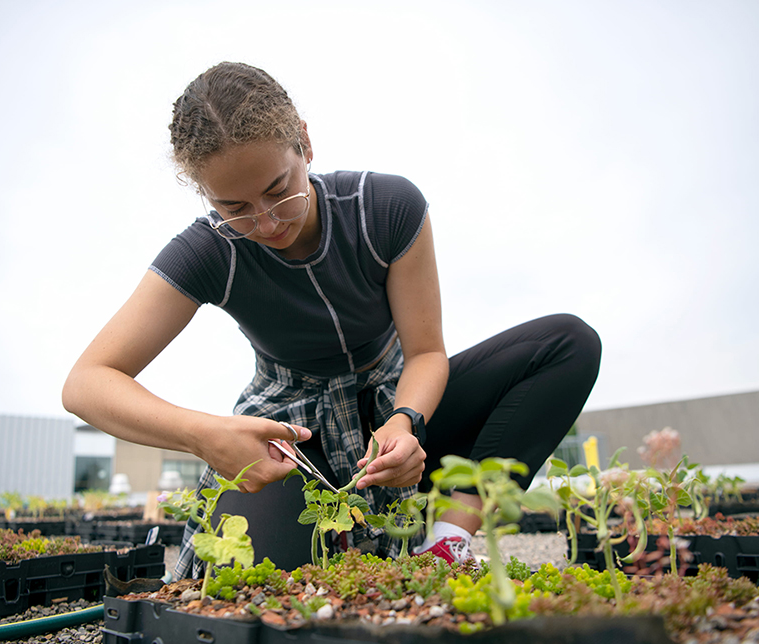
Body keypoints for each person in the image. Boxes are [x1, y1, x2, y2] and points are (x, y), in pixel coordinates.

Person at [62, 61, 601, 577]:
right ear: (205, 196)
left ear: (305, 141)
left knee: (568, 343)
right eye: (235, 208)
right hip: (293, 435)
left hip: (397, 415)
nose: (267, 222)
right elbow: (87, 383)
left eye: (279, 190)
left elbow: (427, 354)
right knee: (263, 582)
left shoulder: (384, 209)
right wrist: (203, 434)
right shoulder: (208, 252)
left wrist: (404, 421)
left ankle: (447, 542)